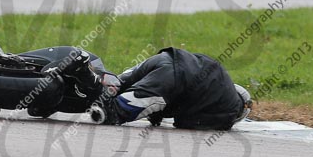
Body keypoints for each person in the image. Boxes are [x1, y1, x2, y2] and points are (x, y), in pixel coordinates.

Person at [90, 47, 252, 130]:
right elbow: (185, 122)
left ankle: (83, 76)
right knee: (112, 112)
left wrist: (157, 113)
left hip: (165, 58)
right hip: (173, 80)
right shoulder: (229, 112)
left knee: (113, 85)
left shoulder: (220, 77)